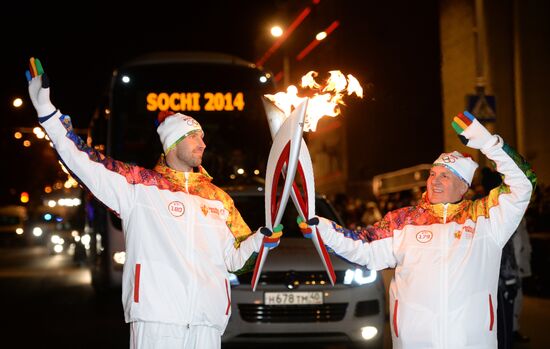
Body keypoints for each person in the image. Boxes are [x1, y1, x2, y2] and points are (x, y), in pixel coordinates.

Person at [26, 57, 282, 349]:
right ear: (173, 143)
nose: (203, 144)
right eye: (195, 137)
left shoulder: (218, 198)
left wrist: (260, 241)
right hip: (158, 321)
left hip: (207, 323)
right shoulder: (139, 186)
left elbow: (236, 261)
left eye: (203, 137)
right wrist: (48, 114)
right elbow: (84, 161)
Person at [301, 110, 537, 348]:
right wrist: (322, 228)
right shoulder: (404, 221)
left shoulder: (486, 218)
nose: (434, 180)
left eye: (445, 176)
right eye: (432, 174)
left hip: (472, 342)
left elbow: (524, 183)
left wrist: (488, 143)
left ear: (463, 186)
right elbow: (362, 248)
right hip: (413, 342)